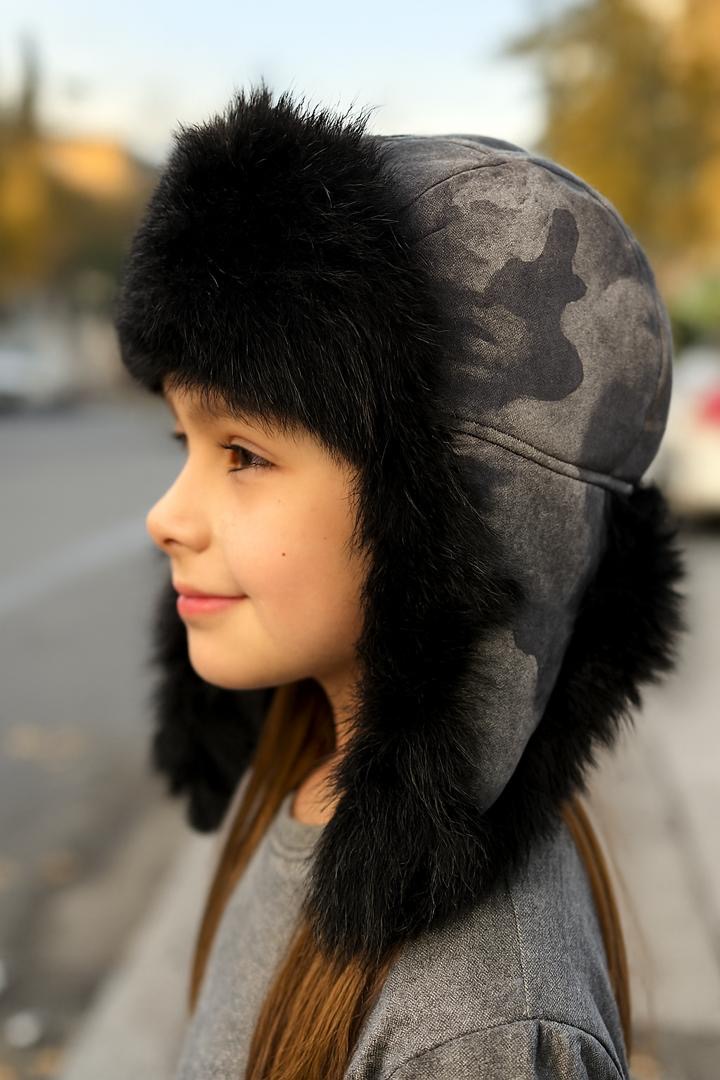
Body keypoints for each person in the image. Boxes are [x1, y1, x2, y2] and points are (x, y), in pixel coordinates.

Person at [112, 81, 688, 1079]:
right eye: (183, 443)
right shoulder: (310, 778)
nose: (167, 516)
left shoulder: (481, 1028)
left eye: (243, 452)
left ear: (451, 525)